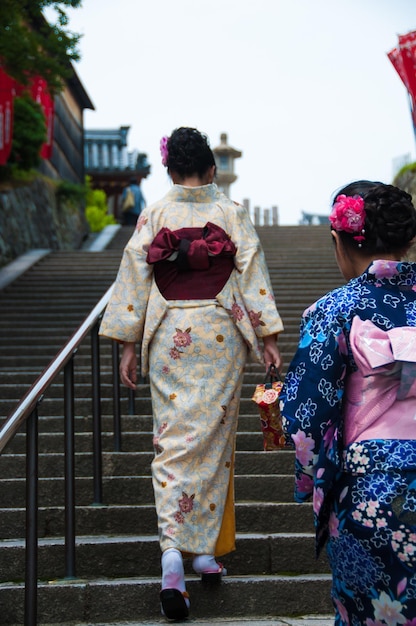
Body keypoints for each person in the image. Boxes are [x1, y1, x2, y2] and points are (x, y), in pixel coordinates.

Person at [99, 127, 283, 620]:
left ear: (169, 170)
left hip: (167, 336)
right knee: (213, 441)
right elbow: (252, 272)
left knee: (172, 439)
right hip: (220, 332)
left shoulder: (154, 214)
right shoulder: (230, 214)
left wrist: (126, 347)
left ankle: (181, 555)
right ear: (211, 168)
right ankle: (196, 550)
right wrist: (267, 338)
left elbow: (134, 276)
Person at [280, 180, 416, 624]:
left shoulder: (334, 310)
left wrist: (311, 481)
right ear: (409, 241)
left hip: (372, 493)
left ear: (338, 241)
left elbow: (304, 422)